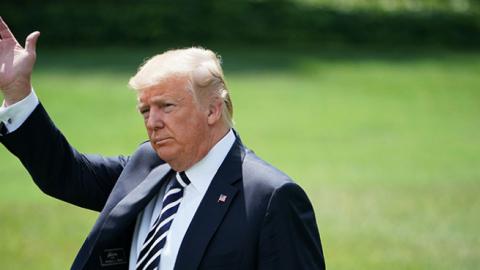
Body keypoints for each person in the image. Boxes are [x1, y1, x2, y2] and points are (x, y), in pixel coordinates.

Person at [0, 17, 325, 270]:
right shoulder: (148, 163)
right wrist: (18, 92)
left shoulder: (271, 198)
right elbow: (66, 175)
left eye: (166, 107)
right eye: (145, 110)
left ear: (212, 108)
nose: (152, 122)